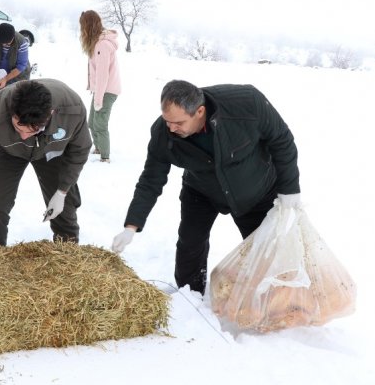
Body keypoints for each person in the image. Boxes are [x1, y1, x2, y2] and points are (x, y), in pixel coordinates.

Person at [111, 79, 300, 295]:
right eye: (167, 121)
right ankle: (189, 294)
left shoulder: (247, 104)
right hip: (201, 190)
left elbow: (282, 140)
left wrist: (290, 188)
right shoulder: (163, 133)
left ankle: (273, 299)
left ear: (199, 111)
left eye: (179, 123)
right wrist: (131, 226)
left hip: (254, 189)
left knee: (264, 250)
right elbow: (151, 179)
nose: (171, 129)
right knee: (190, 243)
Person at [0, 79, 92, 248]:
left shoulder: (72, 110)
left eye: (32, 130)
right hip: (9, 150)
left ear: (50, 114)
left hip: (51, 150)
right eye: (19, 128)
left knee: (65, 206)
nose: (24, 136)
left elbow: (79, 150)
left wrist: (63, 191)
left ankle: (69, 252)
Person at [79, 10, 121, 163]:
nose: (81, 29)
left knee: (100, 124)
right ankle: (98, 148)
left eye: (82, 25)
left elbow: (103, 75)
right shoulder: (97, 42)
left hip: (106, 91)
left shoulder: (102, 45)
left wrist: (98, 99)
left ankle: (105, 157)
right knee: (92, 122)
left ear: (88, 26)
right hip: (100, 90)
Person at [0, 22, 31, 89]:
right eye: (2, 43)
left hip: (18, 73)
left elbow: (21, 65)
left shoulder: (21, 42)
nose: (5, 45)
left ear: (13, 37)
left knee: (15, 93)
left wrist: (5, 79)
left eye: (7, 43)